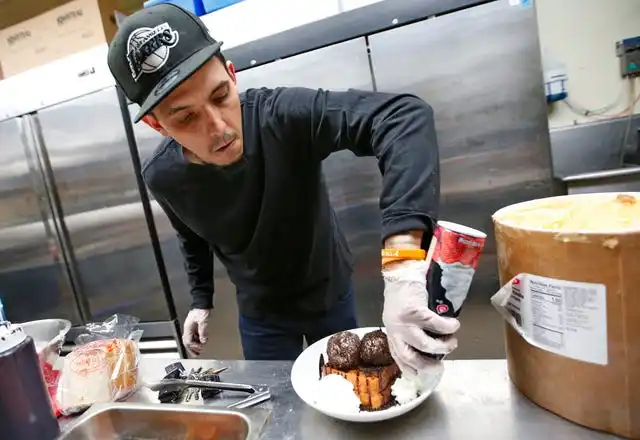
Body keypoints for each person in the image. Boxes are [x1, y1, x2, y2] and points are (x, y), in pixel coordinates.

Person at [107, 3, 460, 375]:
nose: (219, 126)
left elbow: (401, 119)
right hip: (262, 317)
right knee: (279, 413)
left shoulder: (279, 115)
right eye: (187, 117)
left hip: (328, 292)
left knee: (352, 392)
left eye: (220, 96)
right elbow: (192, 235)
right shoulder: (163, 176)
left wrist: (402, 264)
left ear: (232, 74)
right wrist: (201, 300)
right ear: (156, 125)